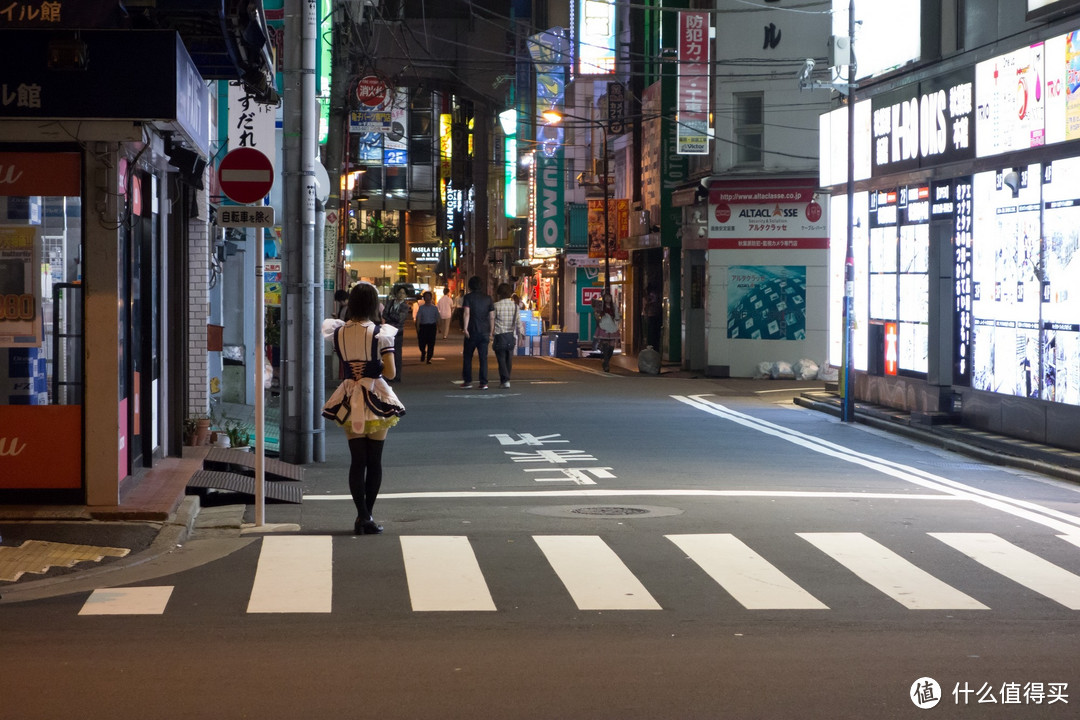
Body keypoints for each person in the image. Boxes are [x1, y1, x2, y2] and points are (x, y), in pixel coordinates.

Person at [322, 282, 405, 535]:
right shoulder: (381, 333)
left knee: (357, 460)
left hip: (348, 397)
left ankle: (362, 515)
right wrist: (372, 368)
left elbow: (344, 363)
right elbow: (390, 372)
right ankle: (367, 516)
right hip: (374, 396)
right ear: (372, 304)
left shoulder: (337, 332)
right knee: (374, 460)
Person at [460, 275, 494, 389]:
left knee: (468, 357)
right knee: (483, 358)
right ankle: (483, 382)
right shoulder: (488, 298)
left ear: (470, 285)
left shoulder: (468, 297)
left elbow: (466, 313)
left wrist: (465, 328)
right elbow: (492, 316)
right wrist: (491, 331)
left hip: (471, 331)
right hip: (484, 332)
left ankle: (468, 381)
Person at [492, 282, 523, 388]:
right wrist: (521, 336)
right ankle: (506, 379)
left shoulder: (496, 306)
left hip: (500, 335)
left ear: (499, 293)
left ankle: (505, 380)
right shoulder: (515, 306)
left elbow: (492, 320)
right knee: (508, 359)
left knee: (501, 359)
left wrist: (490, 332)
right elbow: (519, 322)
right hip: (511, 336)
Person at [382, 286, 409, 382]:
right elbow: (384, 314)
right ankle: (388, 374)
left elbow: (400, 318)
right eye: (400, 292)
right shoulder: (390, 303)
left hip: (398, 332)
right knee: (387, 352)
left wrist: (390, 315)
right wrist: (392, 316)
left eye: (403, 293)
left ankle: (397, 375)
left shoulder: (405, 306)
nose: (401, 295)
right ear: (396, 293)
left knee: (397, 354)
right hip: (388, 331)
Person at [594, 291, 620, 373]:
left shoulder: (614, 306)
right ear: (604, 298)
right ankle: (606, 364)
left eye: (609, 297)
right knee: (605, 345)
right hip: (604, 325)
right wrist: (598, 316)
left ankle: (606, 362)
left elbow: (617, 316)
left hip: (612, 326)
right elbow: (596, 314)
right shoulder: (601, 306)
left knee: (612, 347)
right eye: (606, 297)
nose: (608, 298)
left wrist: (618, 319)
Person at [415, 290, 439, 363]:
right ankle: (423, 352)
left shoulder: (435, 308)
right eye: (426, 297)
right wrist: (417, 327)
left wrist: (438, 327)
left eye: (429, 297)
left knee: (431, 344)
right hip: (423, 326)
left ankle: (429, 358)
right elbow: (418, 318)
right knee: (421, 343)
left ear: (431, 298)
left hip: (432, 327)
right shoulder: (421, 308)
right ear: (424, 298)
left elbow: (437, 318)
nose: (427, 298)